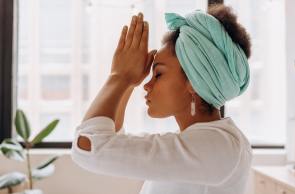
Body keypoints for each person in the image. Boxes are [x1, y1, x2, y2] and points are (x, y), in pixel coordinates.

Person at [71, 4, 253, 194]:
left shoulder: (217, 145)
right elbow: (111, 139)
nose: (147, 85)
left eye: (158, 74)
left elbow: (88, 147)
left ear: (193, 82)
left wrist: (120, 77)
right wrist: (129, 82)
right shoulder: (208, 141)